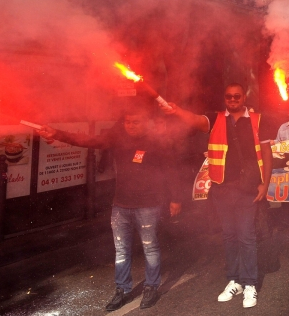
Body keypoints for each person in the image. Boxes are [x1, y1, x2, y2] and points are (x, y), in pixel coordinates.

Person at [38, 105, 182, 311]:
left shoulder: (157, 142)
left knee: (150, 247)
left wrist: (176, 198)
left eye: (136, 122)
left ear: (146, 122)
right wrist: (56, 133)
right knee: (121, 250)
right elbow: (87, 140)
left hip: (149, 205)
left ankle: (151, 286)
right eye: (127, 122)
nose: (130, 126)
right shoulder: (118, 138)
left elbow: (172, 171)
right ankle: (122, 290)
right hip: (120, 205)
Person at [161, 83, 273, 309]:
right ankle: (234, 280)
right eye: (228, 96)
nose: (232, 100)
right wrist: (177, 111)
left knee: (246, 237)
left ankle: (249, 283)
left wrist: (265, 184)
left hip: (247, 189)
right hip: (222, 189)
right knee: (229, 236)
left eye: (236, 96)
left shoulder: (259, 120)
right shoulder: (217, 118)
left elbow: (268, 154)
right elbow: (195, 120)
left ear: (244, 97)